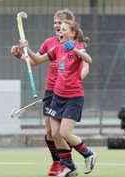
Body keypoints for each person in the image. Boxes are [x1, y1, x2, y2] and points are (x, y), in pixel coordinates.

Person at [11, 9, 89, 176]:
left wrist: (73, 81)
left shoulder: (75, 45)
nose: (57, 26)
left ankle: (70, 162)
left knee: (63, 132)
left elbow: (85, 65)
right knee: (51, 132)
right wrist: (19, 54)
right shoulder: (49, 43)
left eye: (60, 23)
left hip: (67, 92)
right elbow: (34, 62)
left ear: (70, 26)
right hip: (51, 90)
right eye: (55, 22)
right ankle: (58, 162)